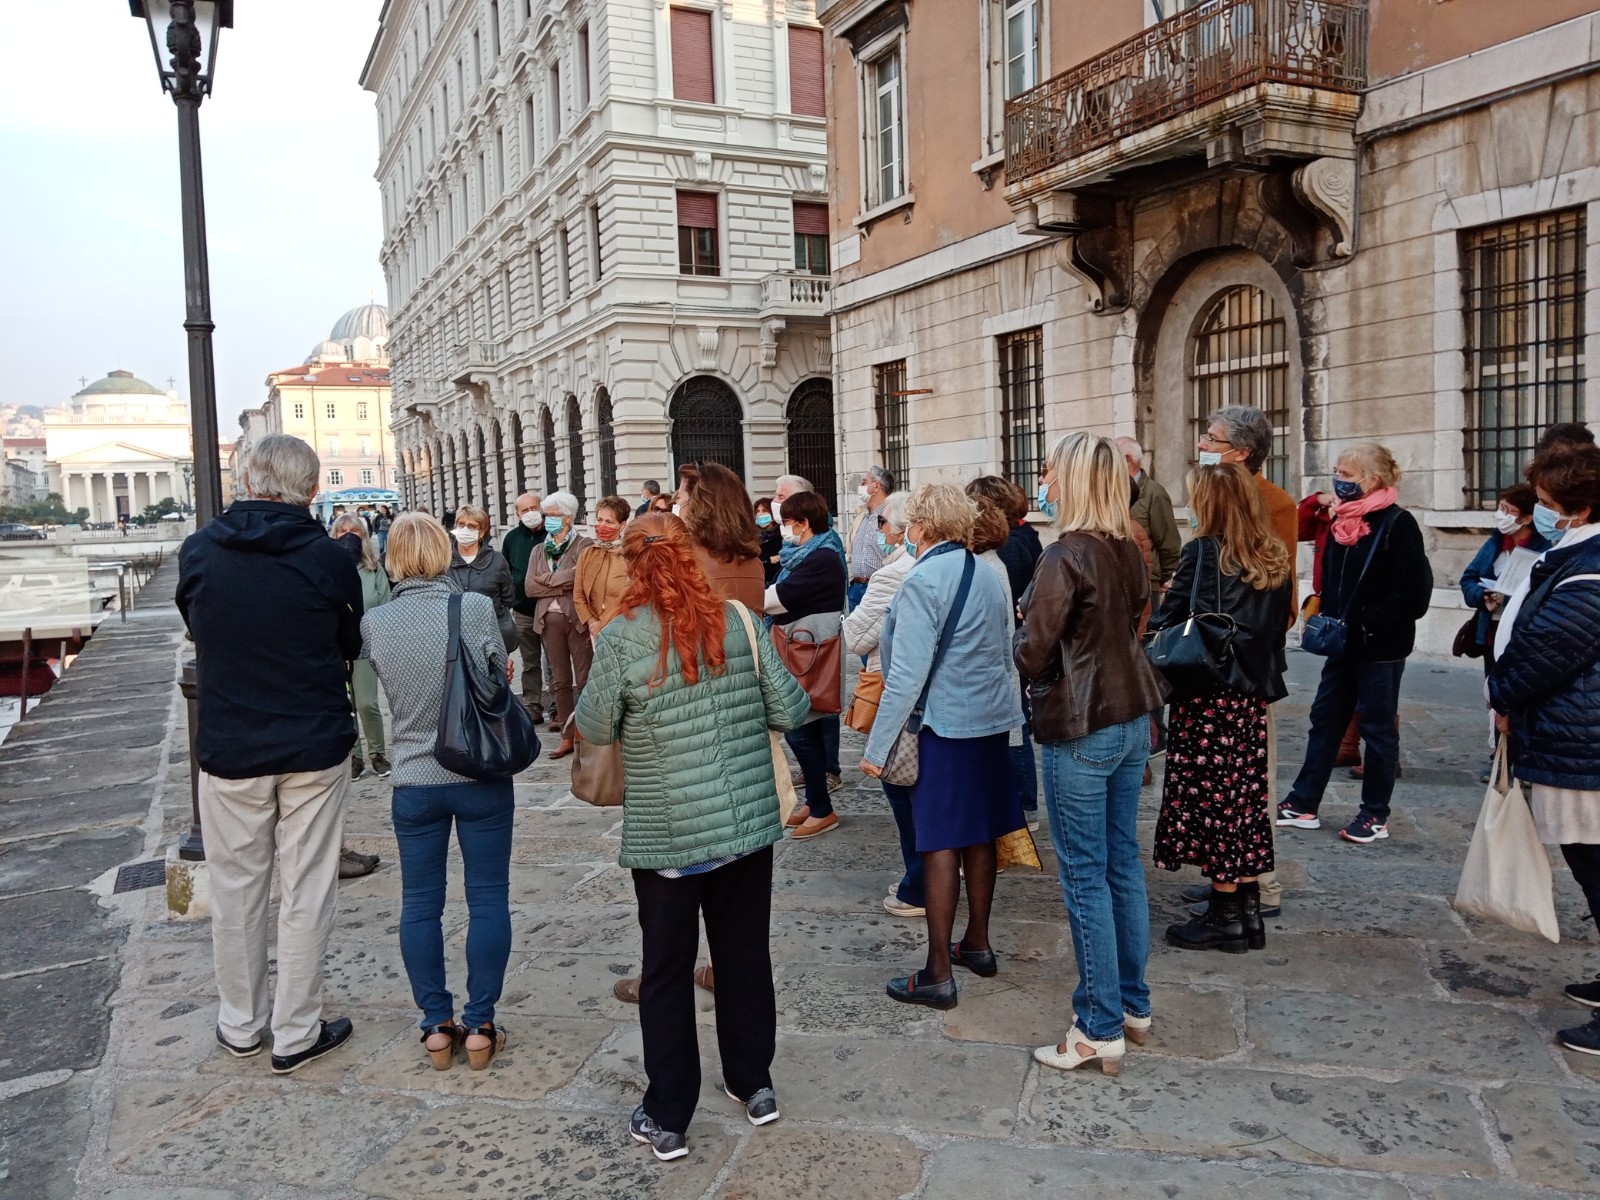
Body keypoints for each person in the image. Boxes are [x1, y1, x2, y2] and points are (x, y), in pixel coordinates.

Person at [576, 512, 810, 1162]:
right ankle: (753, 1083)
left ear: (631, 564)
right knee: (744, 955)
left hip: (670, 833)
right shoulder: (740, 620)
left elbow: (594, 726)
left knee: (667, 971)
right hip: (746, 827)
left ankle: (668, 1114)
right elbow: (792, 708)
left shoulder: (621, 636)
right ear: (692, 554)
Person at [175, 434, 360, 1075]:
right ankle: (296, 1031)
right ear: (311, 490)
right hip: (313, 740)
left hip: (232, 740)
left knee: (236, 888)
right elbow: (349, 640)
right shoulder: (328, 556)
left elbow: (197, 625)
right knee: (308, 888)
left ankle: (240, 1023)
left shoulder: (200, 550)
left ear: (249, 481)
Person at [1014, 432, 1167, 1075]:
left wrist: (1021, 629)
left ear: (1073, 479)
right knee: (1120, 864)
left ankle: (1099, 1026)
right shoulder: (1126, 548)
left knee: (1085, 875)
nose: (1043, 481)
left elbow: (1033, 652)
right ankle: (1132, 1004)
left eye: (1050, 470)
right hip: (1129, 716)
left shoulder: (1066, 554)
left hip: (1082, 726)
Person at [362, 513, 517, 1073]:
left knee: (420, 903)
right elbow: (498, 675)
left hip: (413, 778)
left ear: (393, 560)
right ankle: (480, 1024)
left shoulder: (375, 622)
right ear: (443, 553)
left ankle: (435, 1024)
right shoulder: (472, 608)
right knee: (488, 897)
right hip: (478, 773)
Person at [861, 485, 1022, 1010]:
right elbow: (1005, 652)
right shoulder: (988, 572)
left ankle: (937, 971)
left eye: (910, 523)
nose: (906, 531)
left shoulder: (921, 580)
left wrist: (877, 748)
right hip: (989, 722)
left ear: (924, 528)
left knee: (938, 843)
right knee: (980, 834)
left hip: (943, 726)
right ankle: (977, 942)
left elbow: (905, 678)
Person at [1149, 464, 1293, 953]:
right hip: (1249, 696)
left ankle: (1225, 915)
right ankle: (1247, 912)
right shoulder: (1273, 554)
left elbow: (1170, 619)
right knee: (1244, 802)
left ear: (1209, 503)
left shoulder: (1204, 552)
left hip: (1209, 696)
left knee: (1214, 804)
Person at [1486, 444, 1600, 1057]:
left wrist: (1502, 694)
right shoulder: (1575, 553)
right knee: (1588, 863)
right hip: (1573, 735)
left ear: (1581, 510)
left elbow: (1550, 651)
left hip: (1583, 741)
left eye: (1549, 504)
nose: (1541, 514)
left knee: (1596, 865)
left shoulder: (1590, 569)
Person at [1277, 443, 1432, 844]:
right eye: (1337, 472)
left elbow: (1414, 595)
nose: (1338, 481)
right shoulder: (1342, 520)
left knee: (1378, 730)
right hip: (1341, 643)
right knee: (1325, 720)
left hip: (1380, 647)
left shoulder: (1398, 524)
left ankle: (1374, 813)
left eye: (1346, 475)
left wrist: (1366, 621)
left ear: (1372, 480)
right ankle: (1303, 802)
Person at [841, 490, 922, 917]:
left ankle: (918, 883)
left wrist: (845, 621)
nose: (880, 531)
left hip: (895, 691)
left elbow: (856, 637)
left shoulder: (896, 574)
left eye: (883, 523)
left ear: (908, 529)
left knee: (901, 785)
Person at [763, 490, 846, 838]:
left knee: (799, 730)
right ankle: (815, 800)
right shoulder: (810, 553)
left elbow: (777, 599)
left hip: (807, 653)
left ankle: (823, 809)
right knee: (805, 729)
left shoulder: (821, 558)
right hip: (802, 650)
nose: (784, 529)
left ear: (804, 523)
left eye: (787, 522)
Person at [968, 476, 1043, 826]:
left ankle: (1024, 803)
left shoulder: (1008, 549)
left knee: (1016, 726)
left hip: (1012, 646)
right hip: (1014, 645)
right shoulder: (1019, 540)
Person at [525, 491, 594, 758]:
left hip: (576, 620)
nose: (547, 520)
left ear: (568, 517)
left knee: (585, 678)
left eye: (553, 515)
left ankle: (587, 733)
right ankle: (567, 735)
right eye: (546, 515)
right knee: (560, 681)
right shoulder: (538, 550)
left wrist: (547, 579)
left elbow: (581, 578)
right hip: (548, 622)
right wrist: (563, 581)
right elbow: (530, 587)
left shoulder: (584, 545)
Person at [330, 514, 393, 782]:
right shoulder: (327, 568)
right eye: (342, 531)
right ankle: (354, 757)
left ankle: (377, 753)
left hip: (366, 646)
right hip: (336, 647)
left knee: (367, 703)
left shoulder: (374, 570)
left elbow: (385, 606)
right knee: (346, 704)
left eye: (353, 530)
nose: (348, 535)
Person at [1460, 484, 1549, 669]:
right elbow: (1468, 578)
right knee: (1491, 681)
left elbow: (1543, 595)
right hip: (1490, 630)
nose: (1501, 514)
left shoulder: (1544, 550)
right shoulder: (1494, 543)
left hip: (1523, 634)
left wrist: (1506, 599)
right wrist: (1483, 596)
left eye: (1509, 510)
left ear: (1526, 518)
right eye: (1501, 507)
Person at [680, 462, 765, 610]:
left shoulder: (687, 563)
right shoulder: (754, 563)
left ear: (696, 506)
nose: (676, 503)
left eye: (679, 497)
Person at [503, 492, 554, 726]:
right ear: (518, 514)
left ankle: (557, 706)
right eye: (525, 510)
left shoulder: (552, 534)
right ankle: (533, 705)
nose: (531, 513)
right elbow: (506, 571)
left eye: (534, 507)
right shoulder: (512, 538)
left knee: (554, 660)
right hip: (523, 611)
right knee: (529, 662)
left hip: (550, 609)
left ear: (541, 508)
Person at [446, 505, 517, 652]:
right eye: (461, 524)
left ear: (482, 532)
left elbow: (507, 598)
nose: (465, 529)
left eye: (472, 526)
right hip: (454, 637)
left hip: (490, 636)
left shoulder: (497, 560)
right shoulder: (443, 560)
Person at [1117, 436, 1181, 590]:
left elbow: (1168, 542)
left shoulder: (1154, 493)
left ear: (1127, 460)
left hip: (1147, 583)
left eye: (1112, 457)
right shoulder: (1113, 491)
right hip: (1120, 581)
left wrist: (1163, 578)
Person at [574, 496, 632, 637]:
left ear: (622, 525)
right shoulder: (588, 553)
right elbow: (578, 594)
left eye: (609, 522)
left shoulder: (630, 555)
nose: (602, 525)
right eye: (599, 520)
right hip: (593, 630)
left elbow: (632, 597)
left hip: (623, 628)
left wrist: (604, 622)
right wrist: (592, 621)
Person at [847, 465, 895, 611]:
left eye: (864, 482)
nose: (860, 487)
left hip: (879, 589)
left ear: (876, 486)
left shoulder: (891, 516)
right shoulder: (861, 515)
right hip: (855, 588)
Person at [754, 496, 782, 585]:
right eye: (757, 511)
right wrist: (768, 560)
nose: (760, 514)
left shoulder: (781, 535)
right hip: (758, 580)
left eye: (764, 511)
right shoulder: (752, 537)